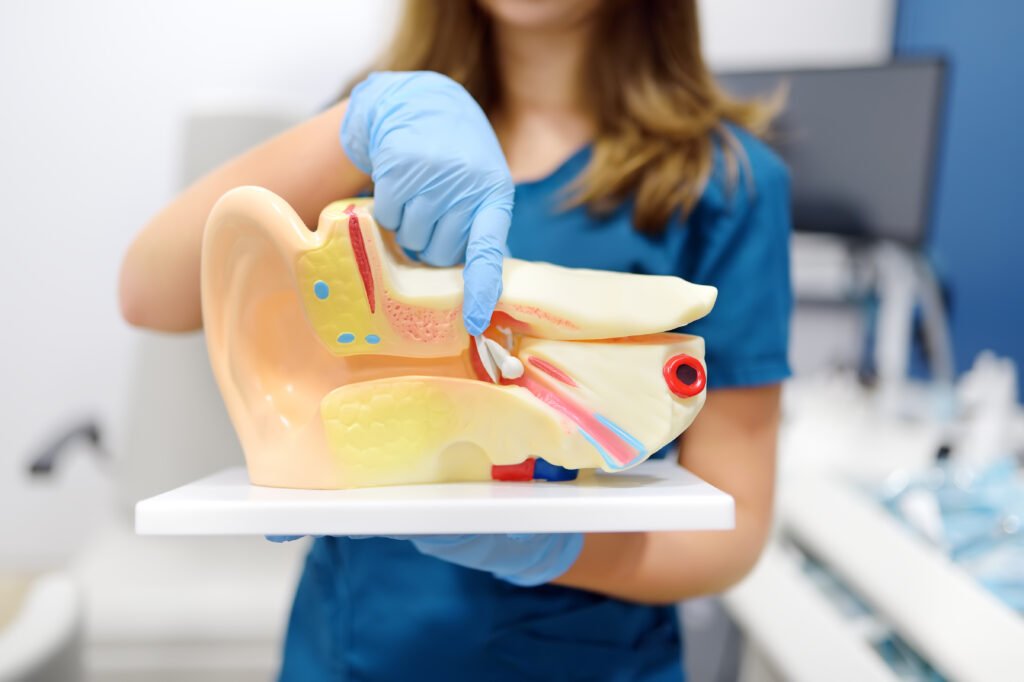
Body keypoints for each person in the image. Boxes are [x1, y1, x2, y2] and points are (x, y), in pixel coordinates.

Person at [119, 0, 791, 679]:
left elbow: (730, 531)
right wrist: (358, 122)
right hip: (357, 651)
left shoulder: (727, 183)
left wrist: (554, 548)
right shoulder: (388, 136)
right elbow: (151, 291)